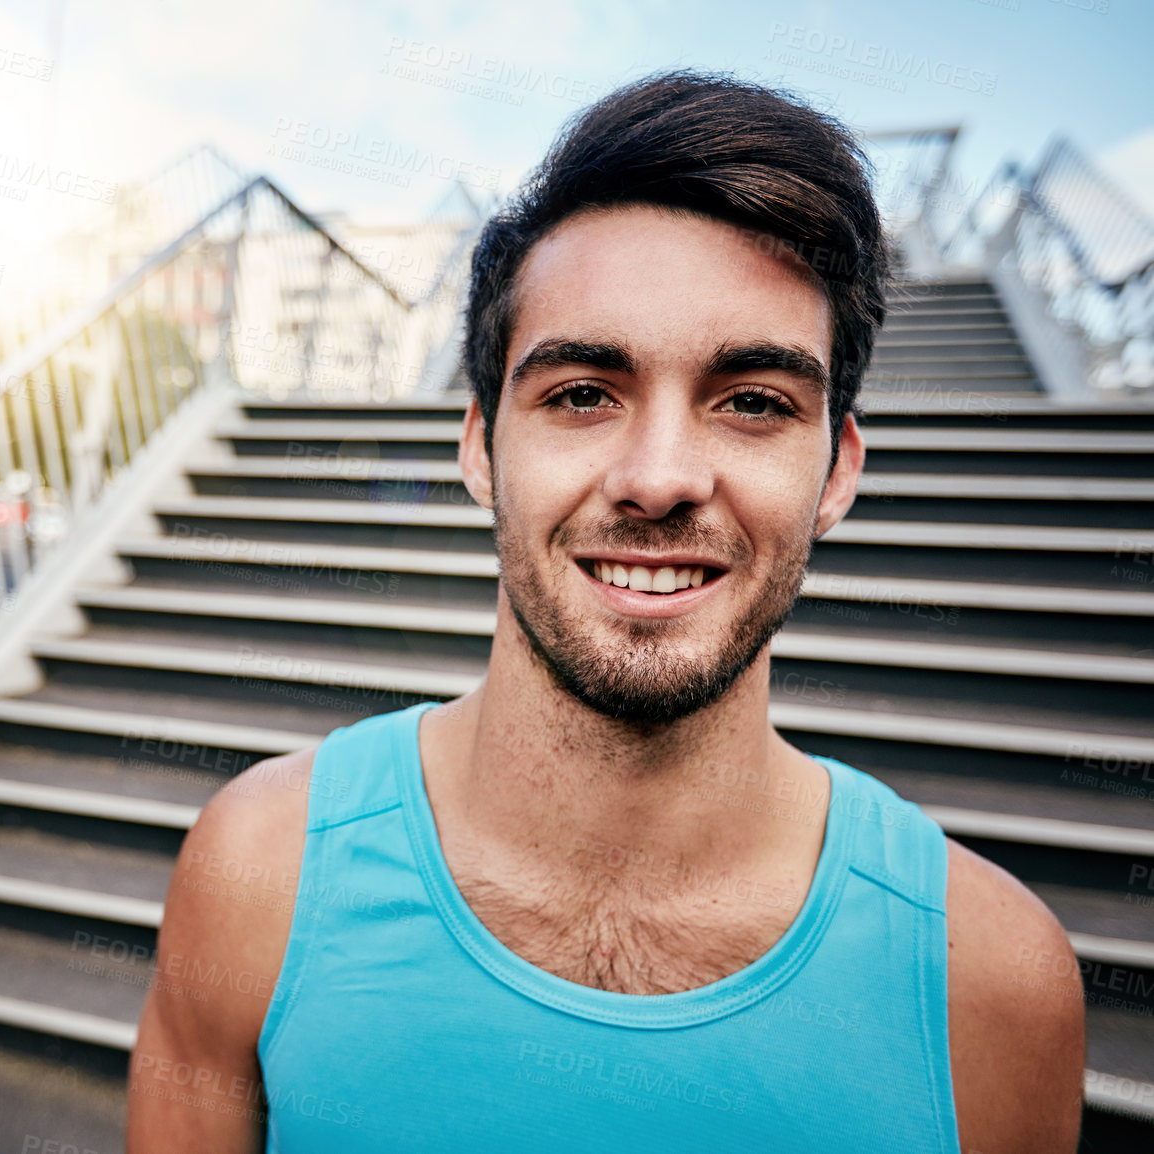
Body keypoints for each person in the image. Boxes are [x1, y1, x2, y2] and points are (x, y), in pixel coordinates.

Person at [127, 71, 1084, 1152]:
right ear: (481, 447)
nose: (660, 475)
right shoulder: (259, 865)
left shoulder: (996, 978)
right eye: (582, 391)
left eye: (755, 402)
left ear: (835, 472)